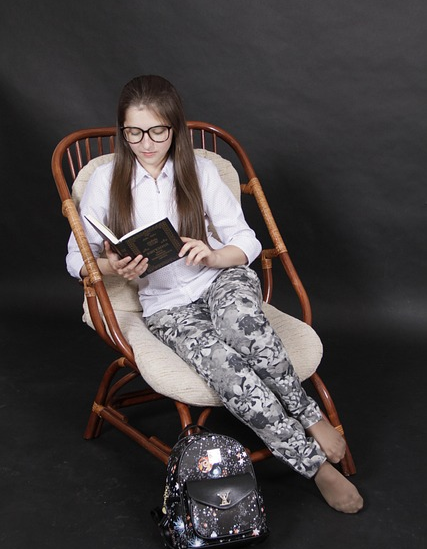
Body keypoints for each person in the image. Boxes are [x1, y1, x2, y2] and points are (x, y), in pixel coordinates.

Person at [66, 75, 363, 514]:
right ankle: (314, 465)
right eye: (134, 132)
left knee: (243, 326)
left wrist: (213, 254)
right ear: (121, 130)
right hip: (166, 306)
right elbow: (77, 257)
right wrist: (113, 266)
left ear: (174, 128)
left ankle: (308, 413)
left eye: (157, 131)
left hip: (221, 279)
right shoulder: (105, 180)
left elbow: (246, 240)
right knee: (227, 370)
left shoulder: (200, 171)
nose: (146, 143)